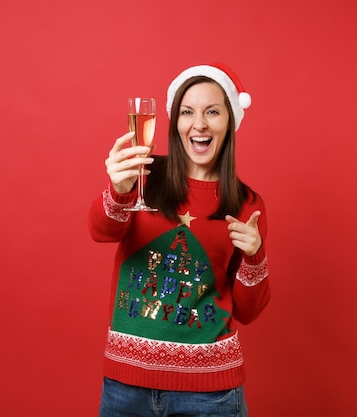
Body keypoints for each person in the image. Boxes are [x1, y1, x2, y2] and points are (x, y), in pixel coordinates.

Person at [88, 63, 271, 417]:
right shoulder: (144, 175)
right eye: (188, 112)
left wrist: (254, 257)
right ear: (175, 122)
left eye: (212, 112)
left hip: (210, 394)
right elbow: (100, 231)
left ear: (230, 121)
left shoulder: (248, 204)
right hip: (126, 386)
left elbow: (248, 311)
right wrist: (119, 190)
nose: (199, 123)